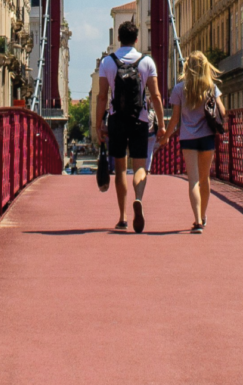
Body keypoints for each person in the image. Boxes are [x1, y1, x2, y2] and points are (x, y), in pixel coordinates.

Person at [94, 20, 163, 233]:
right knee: (140, 167)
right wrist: (161, 124)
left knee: (121, 169)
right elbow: (157, 95)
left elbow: (102, 96)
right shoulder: (146, 62)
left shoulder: (107, 62)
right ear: (136, 39)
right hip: (140, 120)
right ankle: (139, 198)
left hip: (116, 120)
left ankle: (123, 217)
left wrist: (99, 125)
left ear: (118, 38)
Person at [159, 51, 225, 233]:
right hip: (207, 137)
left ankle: (196, 221)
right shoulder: (211, 87)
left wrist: (165, 137)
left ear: (187, 67)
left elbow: (174, 119)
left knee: (193, 180)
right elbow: (223, 112)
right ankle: (203, 216)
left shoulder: (179, 88)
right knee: (205, 179)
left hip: (188, 138)